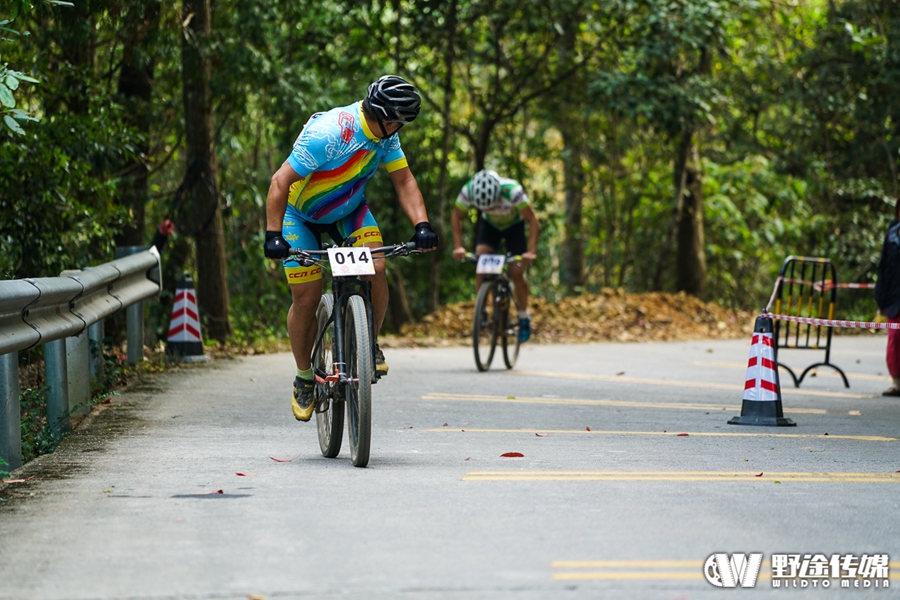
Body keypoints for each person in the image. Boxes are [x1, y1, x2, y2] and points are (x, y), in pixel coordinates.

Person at [263, 75, 438, 422]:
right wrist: (273, 236)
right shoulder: (329, 133)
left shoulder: (387, 136)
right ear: (385, 116)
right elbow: (280, 181)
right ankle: (303, 378)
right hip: (301, 217)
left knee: (377, 268)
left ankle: (367, 345)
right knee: (307, 298)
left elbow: (403, 180)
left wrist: (422, 225)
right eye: (399, 121)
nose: (400, 126)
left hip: (349, 212)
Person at [450, 169, 539, 342]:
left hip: (515, 227)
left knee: (516, 273)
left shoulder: (512, 191)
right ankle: (481, 311)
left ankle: (523, 315)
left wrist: (531, 251)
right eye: (486, 207)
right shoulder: (467, 191)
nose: (491, 208)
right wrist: (458, 246)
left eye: (493, 204)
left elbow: (533, 220)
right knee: (481, 265)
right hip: (490, 227)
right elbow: (456, 216)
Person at [875, 198, 900, 397]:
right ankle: (896, 382)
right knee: (895, 338)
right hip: (894, 296)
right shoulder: (892, 232)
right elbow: (884, 266)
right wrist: (880, 299)